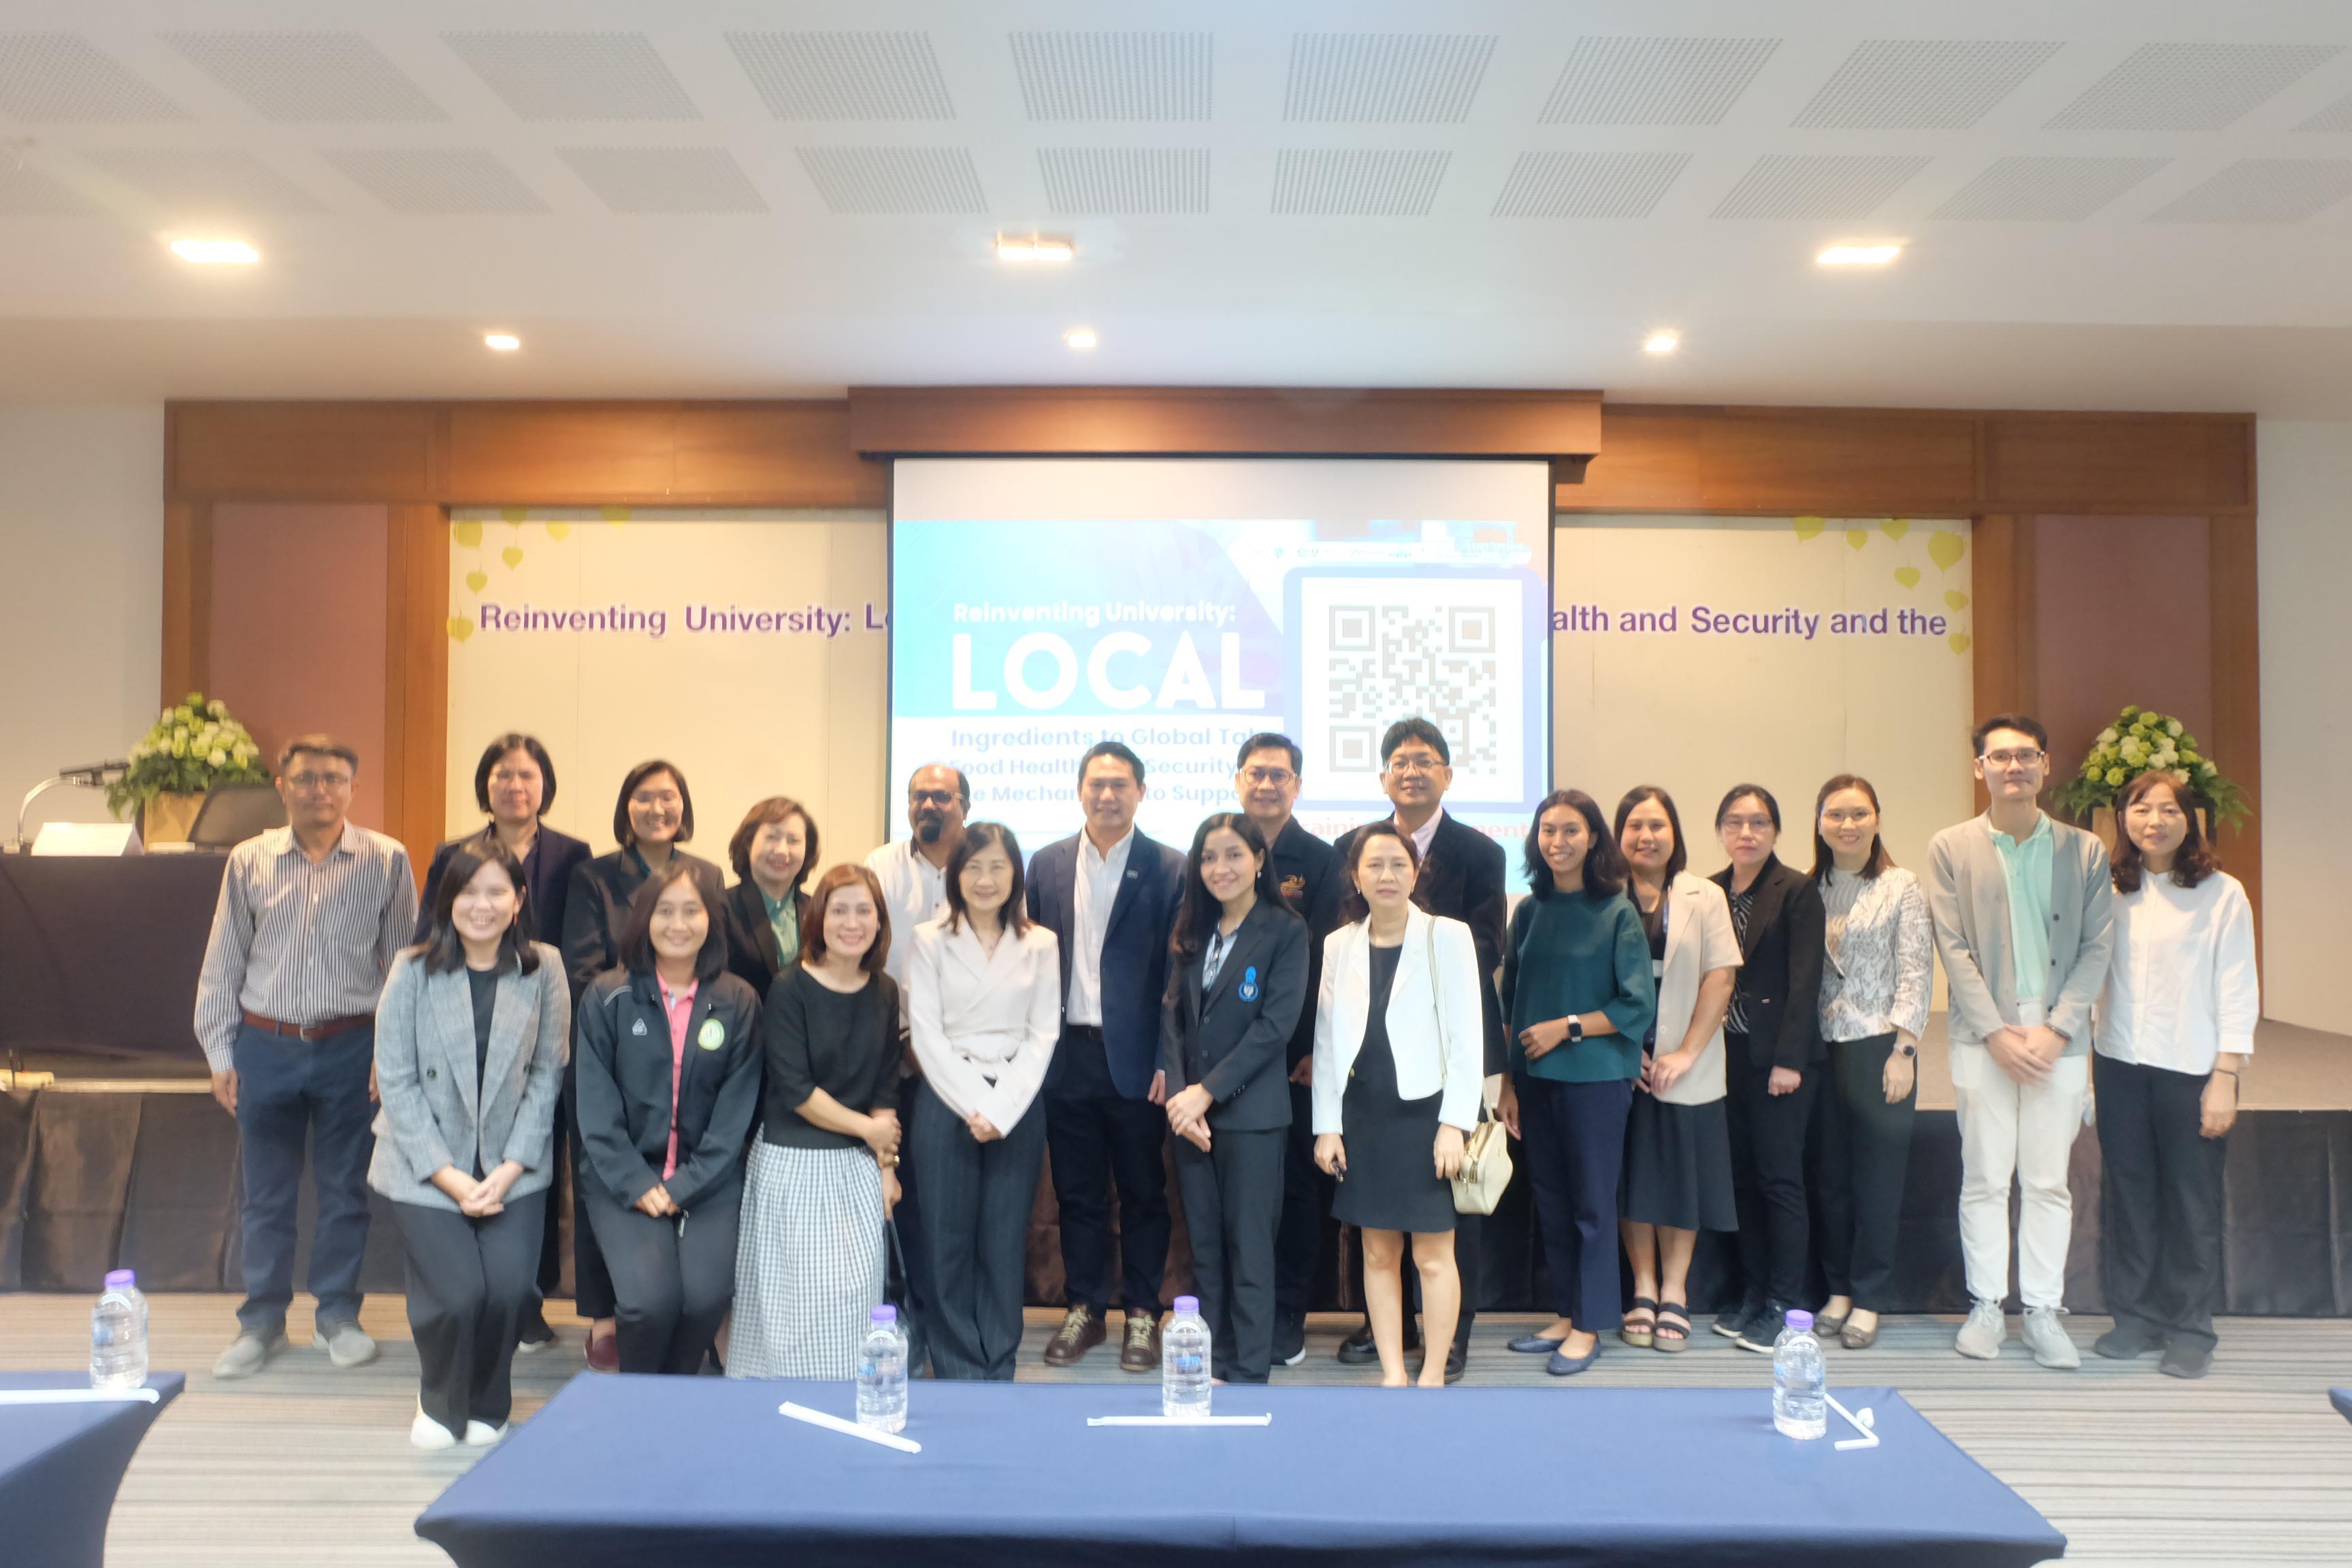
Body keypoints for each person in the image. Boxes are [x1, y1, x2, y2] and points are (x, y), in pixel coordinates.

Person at [195, 735, 418, 1381]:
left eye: (333, 779)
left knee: (345, 1192)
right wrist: (219, 1052)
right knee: (266, 1195)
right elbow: (223, 962)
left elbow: (404, 967)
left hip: (352, 1046)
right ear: (282, 786)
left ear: (352, 788)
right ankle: (262, 1322)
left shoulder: (387, 859)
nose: (319, 790)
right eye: (306, 778)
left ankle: (337, 1317)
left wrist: (390, 1053)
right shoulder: (249, 859)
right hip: (264, 1046)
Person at [1929, 714, 2114, 1370]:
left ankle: (2041, 1310)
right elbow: (1952, 947)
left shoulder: (2084, 850)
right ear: (1979, 767)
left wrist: (2059, 1028)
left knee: (2047, 1180)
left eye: (2026, 755)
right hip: (1984, 1035)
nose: (2014, 767)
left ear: (2045, 764)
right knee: (1984, 1176)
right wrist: (1994, 1033)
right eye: (2000, 756)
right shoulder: (1951, 847)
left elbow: (2097, 946)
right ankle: (1986, 1305)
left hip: (2059, 1035)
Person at [370, 840, 568, 1448]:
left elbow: (548, 1073)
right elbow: (396, 1082)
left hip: (514, 1164)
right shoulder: (411, 970)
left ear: (519, 900)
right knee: (457, 1294)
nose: (482, 905)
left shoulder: (544, 968)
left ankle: (487, 1400)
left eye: (496, 891)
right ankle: (439, 1400)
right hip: (424, 1163)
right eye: (468, 891)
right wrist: (449, 1175)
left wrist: (510, 1169)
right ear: (446, 900)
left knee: (510, 1290)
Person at [1330, 718, 1505, 1384]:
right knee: (1377, 1240)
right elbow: (1331, 1013)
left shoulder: (1479, 859)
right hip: (1368, 1093)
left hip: (1439, 1081)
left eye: (1424, 760)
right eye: (1399, 761)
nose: (1411, 771)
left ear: (1447, 774)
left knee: (1444, 1234)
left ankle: (1447, 1345)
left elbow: (1483, 962)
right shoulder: (1349, 868)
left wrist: (1455, 1118)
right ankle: (1391, 1349)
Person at [410, 732, 589, 1353]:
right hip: (464, 1022)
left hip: (538, 1018)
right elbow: (428, 934)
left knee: (537, 1161)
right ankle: (469, 1289)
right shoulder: (453, 852)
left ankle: (528, 1298)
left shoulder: (572, 854)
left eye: (527, 775)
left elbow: (573, 941)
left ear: (545, 785)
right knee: (464, 1154)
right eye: (503, 774)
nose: (515, 785)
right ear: (485, 785)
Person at [1028, 741, 1186, 1373]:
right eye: (1096, 783)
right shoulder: (1046, 863)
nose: (1108, 795)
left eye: (1120, 784)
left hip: (1138, 1062)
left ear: (1141, 792)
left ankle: (1143, 1311)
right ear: (1079, 790)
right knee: (1078, 1194)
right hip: (1067, 1056)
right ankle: (1086, 1307)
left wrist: (1168, 1061)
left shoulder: (1170, 867)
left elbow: (1176, 977)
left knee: (1145, 1192)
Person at [2092, 770, 2255, 1380]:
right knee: (2130, 1195)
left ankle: (2190, 1327)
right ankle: (2135, 1317)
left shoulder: (2221, 893)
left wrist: (2226, 1074)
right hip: (2118, 1063)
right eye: (2141, 809)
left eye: (2168, 810)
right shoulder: (2108, 888)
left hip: (2191, 1067)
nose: (2154, 821)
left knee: (2191, 1201)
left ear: (2190, 820)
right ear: (2123, 819)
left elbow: (2237, 984)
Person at [572, 859, 762, 1375]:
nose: (678, 924)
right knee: (648, 1303)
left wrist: (686, 1186)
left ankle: (673, 1390)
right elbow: (596, 1108)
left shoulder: (739, 1000)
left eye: (691, 911)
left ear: (711, 921)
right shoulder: (607, 995)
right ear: (644, 920)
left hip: (708, 1181)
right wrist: (638, 1182)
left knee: (704, 1298)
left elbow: (734, 1116)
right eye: (665, 911)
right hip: (625, 1177)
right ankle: (641, 1396)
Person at [561, 760, 720, 1372]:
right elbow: (582, 969)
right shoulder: (594, 875)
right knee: (604, 1175)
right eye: (645, 797)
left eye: (669, 797)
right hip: (612, 1042)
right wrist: (637, 1018)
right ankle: (604, 1316)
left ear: (685, 806)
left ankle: (680, 1306)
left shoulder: (707, 873)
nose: (658, 809)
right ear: (626, 806)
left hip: (687, 1043)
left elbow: (712, 959)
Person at [1311, 823, 1480, 1388]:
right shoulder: (1340, 944)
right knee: (1378, 1254)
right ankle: (1392, 1372)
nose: (1387, 875)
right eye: (1374, 865)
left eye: (1398, 864)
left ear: (1416, 872)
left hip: (1427, 1118)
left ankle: (1431, 1373)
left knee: (1432, 1256)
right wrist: (1327, 1126)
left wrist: (1455, 1124)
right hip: (1364, 1118)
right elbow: (1327, 1042)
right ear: (1356, 877)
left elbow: (1467, 1038)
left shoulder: (1447, 936)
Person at [1497, 790, 1654, 1375]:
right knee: (1553, 1203)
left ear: (1593, 839)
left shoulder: (1617, 911)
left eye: (1570, 830)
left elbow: (1637, 1004)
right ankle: (1567, 1314)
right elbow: (1509, 1003)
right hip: (1534, 1080)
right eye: (1547, 830)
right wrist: (1508, 1083)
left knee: (1591, 1205)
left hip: (1596, 1080)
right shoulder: (1529, 912)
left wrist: (1567, 1027)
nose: (1557, 842)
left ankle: (1589, 1326)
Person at [732, 864, 905, 1378]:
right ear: (819, 919)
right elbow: (797, 1091)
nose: (852, 923)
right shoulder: (789, 987)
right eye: (839, 910)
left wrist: (887, 1168)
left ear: (879, 922)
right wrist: (870, 1132)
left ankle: (848, 1393)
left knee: (854, 1297)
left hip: (857, 1164)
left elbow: (885, 1089)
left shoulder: (885, 990)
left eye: (864, 911)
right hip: (793, 1161)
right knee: (794, 1304)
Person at [904, 823, 1058, 1381]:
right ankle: (956, 1361)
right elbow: (926, 1035)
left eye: (997, 867)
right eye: (973, 867)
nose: (985, 879)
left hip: (1017, 1102)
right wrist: (977, 1106)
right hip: (947, 1101)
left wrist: (1001, 1111)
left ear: (1016, 873)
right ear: (955, 875)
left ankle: (997, 1358)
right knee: (945, 1240)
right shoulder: (928, 939)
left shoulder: (1040, 942)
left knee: (1003, 1239)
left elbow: (1043, 1034)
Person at [1161, 813, 1310, 1385]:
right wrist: (1183, 1098)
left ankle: (1247, 1370)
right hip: (1191, 1119)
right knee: (1205, 1248)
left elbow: (1274, 1029)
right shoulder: (1194, 928)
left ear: (1259, 860)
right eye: (1207, 858)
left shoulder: (1285, 930)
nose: (1219, 868)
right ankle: (1215, 1362)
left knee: (1249, 1248)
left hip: (1252, 1117)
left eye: (1232, 855)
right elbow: (1171, 1018)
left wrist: (1206, 1092)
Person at [1613, 786, 1738, 1356]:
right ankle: (1642, 1286)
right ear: (1618, 836)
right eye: (1635, 825)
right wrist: (1624, 1051)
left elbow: (1721, 976)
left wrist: (1686, 1052)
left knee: (1681, 1178)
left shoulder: (1704, 895)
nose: (1646, 836)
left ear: (1675, 834)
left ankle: (1675, 1289)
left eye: (1657, 825)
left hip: (1688, 1061)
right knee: (1633, 1177)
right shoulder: (1602, 894)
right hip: (1619, 1062)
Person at [1810, 774, 1933, 1351]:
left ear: (1877, 820)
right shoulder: (1807, 887)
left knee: (1877, 1183)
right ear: (1819, 824)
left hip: (1880, 1045)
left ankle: (1869, 1296)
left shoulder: (1901, 886)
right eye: (1836, 814)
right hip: (1819, 1049)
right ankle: (1837, 1289)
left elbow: (1916, 970)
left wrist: (1905, 1050)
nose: (1848, 824)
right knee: (1830, 1180)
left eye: (1859, 813)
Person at [1233, 732, 1343, 1367]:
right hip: (1229, 1062)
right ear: (1238, 781)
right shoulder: (1219, 848)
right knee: (1240, 1194)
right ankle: (1240, 1309)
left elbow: (1329, 962)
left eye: (1279, 775)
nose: (1267, 784)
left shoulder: (1323, 860)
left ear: (1297, 786)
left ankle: (1287, 1313)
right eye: (1256, 773)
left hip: (1297, 1062)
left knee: (1298, 1191)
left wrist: (1313, 1050)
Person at [1710, 783, 1826, 1354]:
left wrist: (1789, 1060)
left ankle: (1785, 1300)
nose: (1747, 833)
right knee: (1740, 1180)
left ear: (1776, 830)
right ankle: (1754, 1291)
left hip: (1777, 1063)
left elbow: (1806, 982)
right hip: (1724, 1059)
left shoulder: (1796, 890)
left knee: (1779, 1181)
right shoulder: (1709, 891)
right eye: (1735, 822)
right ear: (1720, 831)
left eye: (1759, 822)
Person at [863, 764, 969, 1375]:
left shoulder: (983, 864)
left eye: (941, 796)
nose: (928, 805)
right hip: (888, 1052)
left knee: (944, 1198)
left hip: (964, 1062)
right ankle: (903, 1318)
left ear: (964, 806)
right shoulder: (881, 865)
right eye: (918, 796)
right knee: (897, 1195)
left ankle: (945, 1318)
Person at [724, 795, 817, 999]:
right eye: (771, 837)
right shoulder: (721, 907)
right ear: (748, 842)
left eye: (793, 840)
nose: (782, 850)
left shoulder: (818, 910)